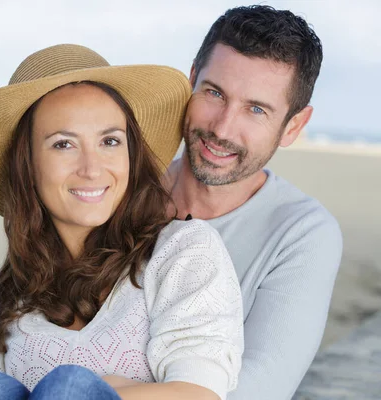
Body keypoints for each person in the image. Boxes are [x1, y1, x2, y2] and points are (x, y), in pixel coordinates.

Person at [0, 44, 243, 400]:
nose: (92, 168)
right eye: (64, 145)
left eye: (110, 141)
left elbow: (200, 393)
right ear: (27, 164)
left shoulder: (182, 253)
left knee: (69, 386)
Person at [164, 5, 343, 399]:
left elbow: (261, 386)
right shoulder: (120, 191)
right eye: (214, 93)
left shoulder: (303, 234)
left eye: (256, 109)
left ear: (293, 126)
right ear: (191, 80)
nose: (222, 128)